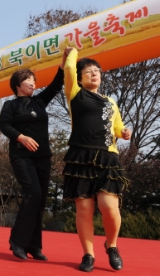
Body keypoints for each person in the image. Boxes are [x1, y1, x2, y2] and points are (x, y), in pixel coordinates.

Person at [62, 48, 131, 272]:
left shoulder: (111, 101)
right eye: (89, 71)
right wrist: (73, 52)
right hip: (80, 156)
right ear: (80, 78)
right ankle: (88, 255)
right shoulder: (75, 94)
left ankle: (111, 246)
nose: (94, 74)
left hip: (107, 157)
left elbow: (117, 125)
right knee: (84, 210)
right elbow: (70, 68)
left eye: (97, 71)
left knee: (109, 206)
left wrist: (123, 132)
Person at [0, 50, 69, 260]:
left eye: (33, 80)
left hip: (43, 157)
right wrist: (21, 137)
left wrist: (64, 61)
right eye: (28, 80)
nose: (32, 83)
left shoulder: (39, 102)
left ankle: (34, 246)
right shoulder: (10, 105)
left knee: (40, 201)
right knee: (33, 194)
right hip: (21, 156)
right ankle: (17, 241)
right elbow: (4, 125)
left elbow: (57, 85)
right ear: (17, 85)